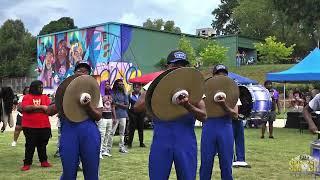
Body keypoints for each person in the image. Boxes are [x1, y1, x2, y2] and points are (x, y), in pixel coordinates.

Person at [134, 50, 207, 180]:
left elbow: (204, 117)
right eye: (175, 64)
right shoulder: (156, 83)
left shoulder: (193, 85)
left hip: (185, 140)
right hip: (162, 139)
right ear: (167, 66)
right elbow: (137, 107)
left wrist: (187, 105)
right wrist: (158, 92)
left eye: (182, 64)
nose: (179, 67)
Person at [51, 61, 103, 179]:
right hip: (69, 131)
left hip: (89, 132)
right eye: (79, 70)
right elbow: (50, 110)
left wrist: (88, 106)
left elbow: (98, 115)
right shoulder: (64, 90)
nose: (81, 73)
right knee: (69, 171)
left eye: (85, 72)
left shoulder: (94, 92)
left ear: (89, 76)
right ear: (74, 73)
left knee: (92, 171)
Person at [200, 64, 238, 180]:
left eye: (224, 74)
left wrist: (224, 105)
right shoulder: (205, 91)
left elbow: (235, 115)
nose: (221, 76)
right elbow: (202, 112)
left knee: (226, 163)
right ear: (213, 76)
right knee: (206, 163)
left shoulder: (233, 92)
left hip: (225, 127)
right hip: (209, 126)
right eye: (219, 74)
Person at [20, 81, 52, 171]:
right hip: (29, 126)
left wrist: (33, 108)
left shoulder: (45, 97)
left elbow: (49, 110)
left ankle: (44, 161)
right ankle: (27, 163)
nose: (41, 89)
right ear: (34, 88)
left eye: (42, 87)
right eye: (39, 87)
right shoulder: (27, 97)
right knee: (30, 145)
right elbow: (25, 108)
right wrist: (41, 107)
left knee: (42, 145)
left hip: (44, 126)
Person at [109, 79, 129, 154]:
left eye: (122, 84)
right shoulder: (113, 93)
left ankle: (121, 147)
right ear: (116, 85)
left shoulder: (125, 94)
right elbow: (112, 104)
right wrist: (120, 104)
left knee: (122, 132)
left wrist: (117, 104)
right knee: (111, 132)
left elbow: (126, 106)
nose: (121, 85)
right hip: (115, 115)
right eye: (119, 84)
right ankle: (108, 148)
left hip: (123, 115)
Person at [99, 80, 116, 158]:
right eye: (106, 85)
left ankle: (104, 151)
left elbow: (113, 107)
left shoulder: (111, 95)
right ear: (102, 86)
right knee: (102, 135)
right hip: (103, 117)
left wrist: (114, 117)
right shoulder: (100, 96)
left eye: (109, 84)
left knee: (107, 134)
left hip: (109, 117)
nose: (108, 86)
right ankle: (99, 152)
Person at [232, 100, 251, 168]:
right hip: (229, 118)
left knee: (240, 139)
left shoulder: (237, 93)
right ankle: (231, 160)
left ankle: (241, 159)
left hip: (238, 119)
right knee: (229, 140)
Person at [127, 83, 146, 148]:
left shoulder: (143, 95)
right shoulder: (130, 95)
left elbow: (144, 105)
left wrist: (144, 114)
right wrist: (129, 114)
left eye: (138, 87)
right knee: (131, 129)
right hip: (133, 114)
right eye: (135, 87)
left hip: (141, 114)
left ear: (140, 88)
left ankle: (141, 143)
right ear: (133, 88)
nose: (137, 88)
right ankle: (129, 143)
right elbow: (128, 106)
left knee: (141, 129)